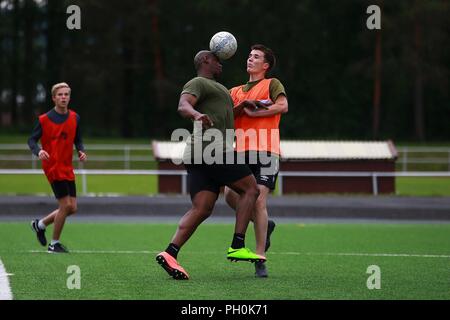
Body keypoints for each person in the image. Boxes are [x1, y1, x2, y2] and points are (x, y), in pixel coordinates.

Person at [155, 50, 264, 280]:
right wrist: (195, 115)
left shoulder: (220, 90)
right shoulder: (198, 82)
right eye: (216, 60)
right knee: (251, 189)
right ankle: (238, 244)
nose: (220, 64)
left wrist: (241, 107)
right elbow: (183, 105)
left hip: (197, 155)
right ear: (205, 61)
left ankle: (170, 252)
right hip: (212, 149)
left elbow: (221, 115)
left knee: (202, 208)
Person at [225, 44, 288, 277]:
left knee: (259, 201)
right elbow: (228, 117)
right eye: (249, 56)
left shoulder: (272, 84)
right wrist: (242, 109)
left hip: (266, 150)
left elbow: (283, 105)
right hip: (240, 151)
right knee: (231, 196)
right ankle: (264, 224)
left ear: (266, 65)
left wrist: (257, 112)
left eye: (256, 57)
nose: (250, 59)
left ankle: (260, 257)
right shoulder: (235, 91)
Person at [28, 82, 87, 253]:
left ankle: (40, 224)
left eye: (66, 94)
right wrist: (38, 151)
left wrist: (81, 151)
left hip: (67, 167)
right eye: (60, 95)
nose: (63, 97)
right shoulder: (44, 120)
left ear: (69, 97)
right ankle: (54, 244)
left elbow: (78, 139)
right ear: (54, 98)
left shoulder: (75, 117)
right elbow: (31, 140)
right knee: (65, 205)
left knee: (72, 208)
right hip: (53, 167)